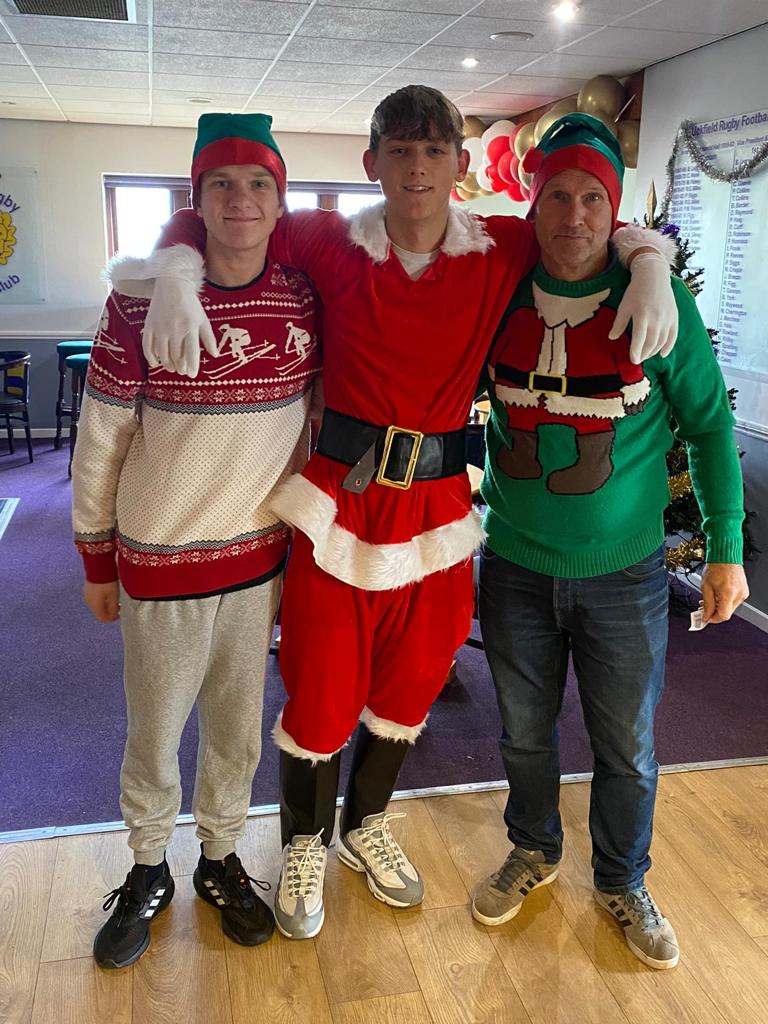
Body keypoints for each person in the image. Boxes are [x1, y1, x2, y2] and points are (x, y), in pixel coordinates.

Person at [109, 86, 679, 940]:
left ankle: (364, 825)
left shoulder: (501, 247)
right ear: (371, 161)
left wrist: (650, 263)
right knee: (322, 682)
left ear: (459, 163)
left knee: (413, 681)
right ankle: (304, 841)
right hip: (338, 506)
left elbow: (586, 221)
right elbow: (221, 216)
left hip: (440, 514)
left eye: (434, 151)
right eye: (400, 151)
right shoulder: (327, 239)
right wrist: (178, 275)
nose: (417, 169)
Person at [471, 113, 749, 970]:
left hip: (624, 573)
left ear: (613, 207)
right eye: (557, 195)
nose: (575, 215)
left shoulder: (662, 302)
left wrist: (725, 547)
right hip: (514, 563)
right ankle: (534, 848)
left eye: (593, 197)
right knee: (523, 734)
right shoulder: (499, 287)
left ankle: (624, 879)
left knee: (627, 747)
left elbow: (709, 427)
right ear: (534, 202)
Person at [72, 112, 320, 968]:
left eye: (258, 184)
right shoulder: (138, 302)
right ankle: (149, 868)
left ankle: (220, 856)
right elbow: (100, 439)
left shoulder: (302, 297)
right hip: (160, 561)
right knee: (154, 732)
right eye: (221, 184)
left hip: (257, 565)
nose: (240, 200)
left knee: (237, 731)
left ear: (280, 200)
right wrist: (95, 556)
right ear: (197, 199)